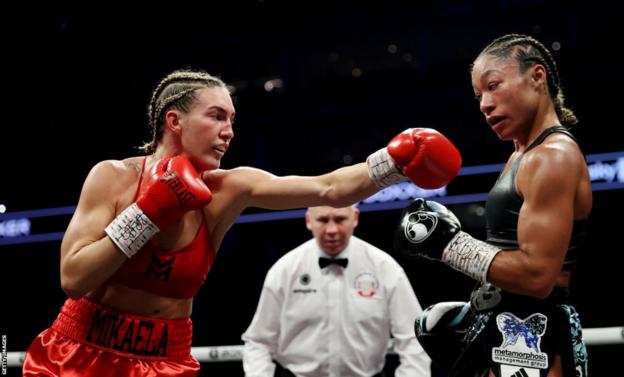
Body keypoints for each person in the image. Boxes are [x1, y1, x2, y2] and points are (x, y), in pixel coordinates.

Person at [22, 69, 461, 376]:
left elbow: (329, 189)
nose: (229, 131)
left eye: (232, 119)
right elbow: (73, 278)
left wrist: (395, 162)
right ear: (174, 120)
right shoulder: (112, 177)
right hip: (81, 351)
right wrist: (150, 212)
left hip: (164, 355)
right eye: (216, 116)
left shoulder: (229, 188)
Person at [393, 34, 592, 377]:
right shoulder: (522, 154)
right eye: (479, 95)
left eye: (494, 85)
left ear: (537, 77)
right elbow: (509, 260)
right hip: (513, 327)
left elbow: (537, 278)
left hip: (535, 337)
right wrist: (478, 310)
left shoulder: (552, 157)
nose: (484, 104)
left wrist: (448, 245)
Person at [242, 205, 432, 377]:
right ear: (309, 220)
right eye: (323, 220)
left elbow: (414, 338)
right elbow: (258, 342)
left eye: (340, 219)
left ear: (355, 218)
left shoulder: (384, 267)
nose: (332, 230)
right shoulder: (285, 269)